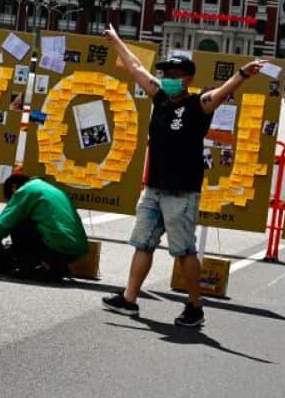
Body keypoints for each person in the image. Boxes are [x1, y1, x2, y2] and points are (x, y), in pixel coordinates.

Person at [100, 24, 265, 328]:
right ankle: (129, 298)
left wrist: (243, 74)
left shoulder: (198, 104)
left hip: (182, 192)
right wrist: (116, 41)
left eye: (174, 75)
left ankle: (195, 306)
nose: (168, 79)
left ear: (187, 78)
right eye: (166, 74)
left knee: (183, 250)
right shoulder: (160, 98)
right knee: (143, 243)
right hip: (154, 187)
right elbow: (136, 68)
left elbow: (222, 92)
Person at [0, 174, 90, 281]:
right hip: (76, 251)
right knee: (33, 224)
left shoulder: (26, 190)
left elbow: (3, 224)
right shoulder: (51, 189)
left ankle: (28, 267)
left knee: (19, 224)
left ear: (14, 188)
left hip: (57, 246)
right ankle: (55, 266)